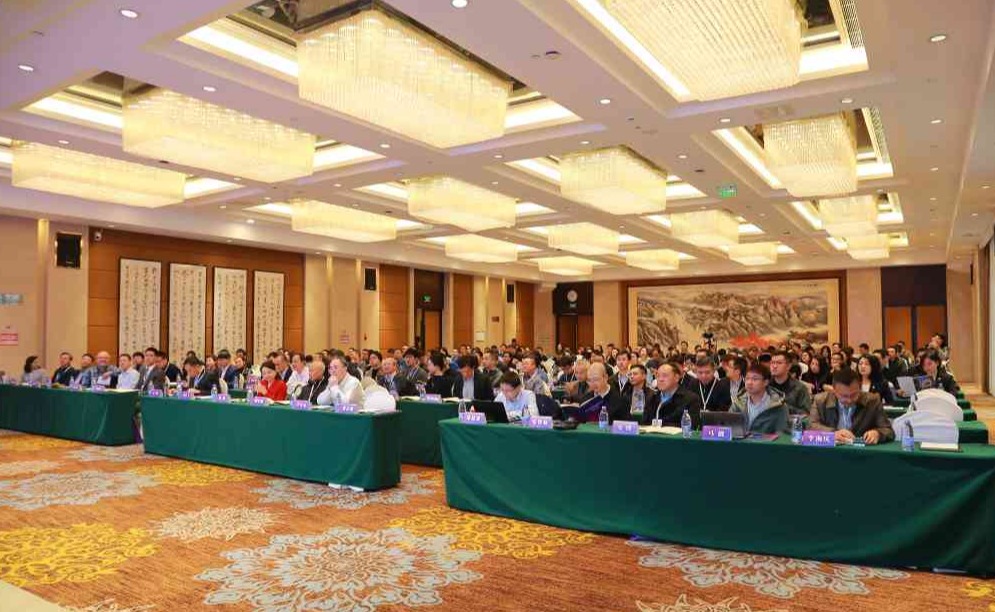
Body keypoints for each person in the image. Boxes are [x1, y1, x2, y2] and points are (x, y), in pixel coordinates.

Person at [809, 368, 894, 445]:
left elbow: (888, 430)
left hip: (861, 452)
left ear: (860, 388)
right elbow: (810, 426)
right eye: (844, 396)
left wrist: (878, 433)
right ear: (834, 391)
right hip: (830, 451)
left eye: (854, 395)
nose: (849, 400)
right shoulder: (820, 401)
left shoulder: (873, 401)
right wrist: (832, 434)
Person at [730, 363, 788, 434]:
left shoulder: (778, 406)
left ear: (765, 382)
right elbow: (728, 426)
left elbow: (782, 434)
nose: (749, 382)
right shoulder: (738, 402)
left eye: (755, 379)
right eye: (747, 378)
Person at [643, 362, 702, 427]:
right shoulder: (652, 398)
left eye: (665, 376)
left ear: (676, 378)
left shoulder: (690, 399)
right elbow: (645, 424)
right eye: (658, 376)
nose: (660, 379)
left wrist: (662, 425)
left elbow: (692, 426)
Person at [768, 350, 812, 416]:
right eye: (772, 363)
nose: (774, 366)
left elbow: (806, 413)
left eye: (779, 363)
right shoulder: (765, 386)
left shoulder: (800, 388)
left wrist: (783, 407)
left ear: (788, 366)